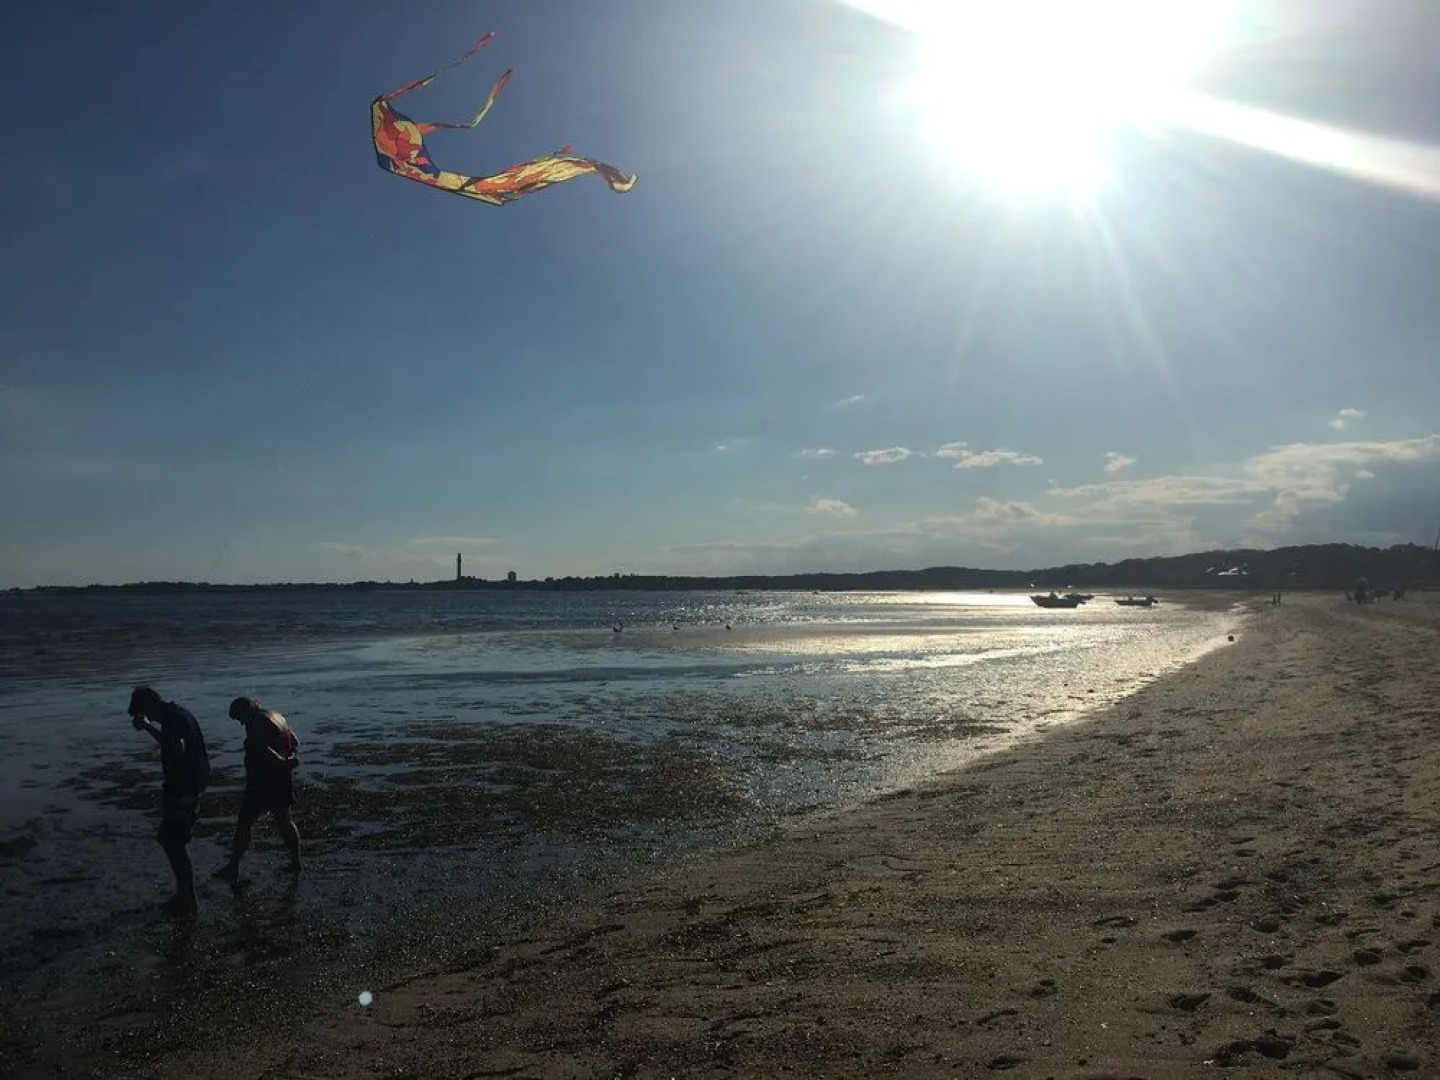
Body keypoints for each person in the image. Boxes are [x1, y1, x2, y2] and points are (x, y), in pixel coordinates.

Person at [128, 685, 211, 918]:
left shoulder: (175, 719)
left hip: (185, 787)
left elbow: (176, 749)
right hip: (187, 784)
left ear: (152, 703)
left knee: (173, 842)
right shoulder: (179, 715)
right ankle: (185, 895)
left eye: (147, 713)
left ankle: (187, 898)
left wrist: (148, 727)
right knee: (172, 840)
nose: (150, 718)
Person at [215, 696, 301, 883]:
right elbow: (294, 741)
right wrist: (289, 760)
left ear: (247, 709)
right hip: (282, 779)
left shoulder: (255, 721)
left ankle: (233, 867)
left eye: (239, 718)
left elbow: (260, 747)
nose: (241, 723)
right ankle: (296, 861)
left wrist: (281, 762)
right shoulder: (277, 716)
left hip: (262, 780)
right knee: (285, 821)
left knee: (244, 823)